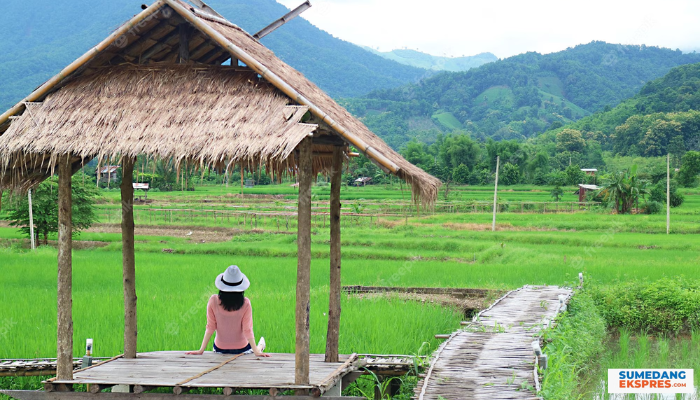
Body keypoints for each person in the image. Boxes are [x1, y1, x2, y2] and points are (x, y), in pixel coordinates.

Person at [186, 265, 270, 357]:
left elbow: (210, 327)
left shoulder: (213, 301)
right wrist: (257, 352)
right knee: (256, 349)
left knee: (253, 348)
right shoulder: (246, 303)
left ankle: (259, 347)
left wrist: (201, 350)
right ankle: (260, 347)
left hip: (220, 349)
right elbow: (247, 330)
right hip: (242, 348)